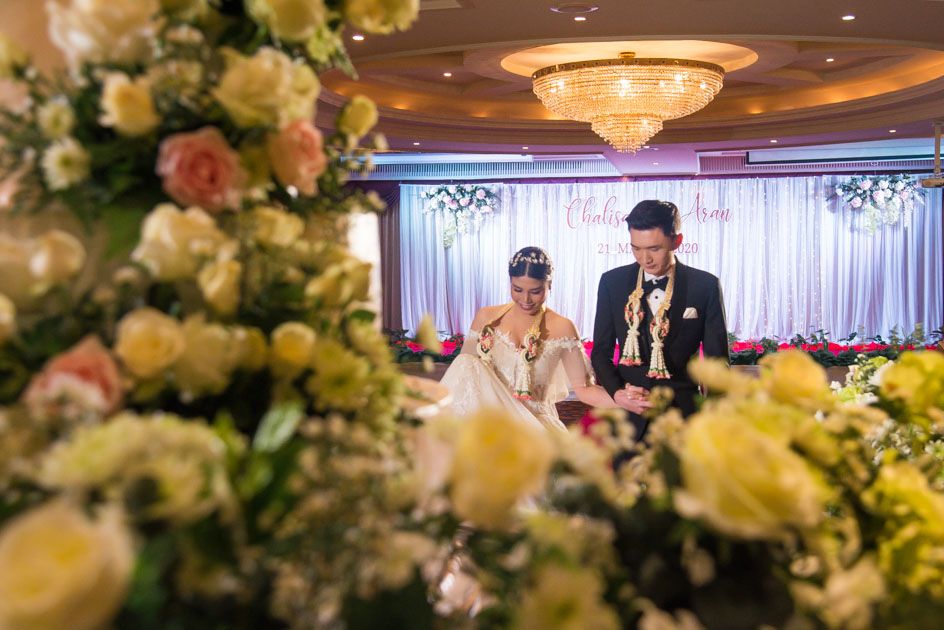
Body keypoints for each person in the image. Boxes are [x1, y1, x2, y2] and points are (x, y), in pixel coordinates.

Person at [591, 199, 729, 441]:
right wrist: (618, 394)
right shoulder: (612, 282)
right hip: (627, 422)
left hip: (684, 419)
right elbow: (601, 352)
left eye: (654, 249)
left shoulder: (704, 286)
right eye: (636, 248)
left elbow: (716, 363)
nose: (645, 259)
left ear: (677, 241)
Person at [441, 246, 620, 431]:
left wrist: (627, 401)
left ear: (549, 285)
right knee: (465, 361)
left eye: (535, 291)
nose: (525, 299)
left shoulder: (563, 327)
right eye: (517, 289)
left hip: (534, 427)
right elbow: (463, 375)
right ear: (510, 282)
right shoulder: (486, 317)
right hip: (491, 425)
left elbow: (585, 390)